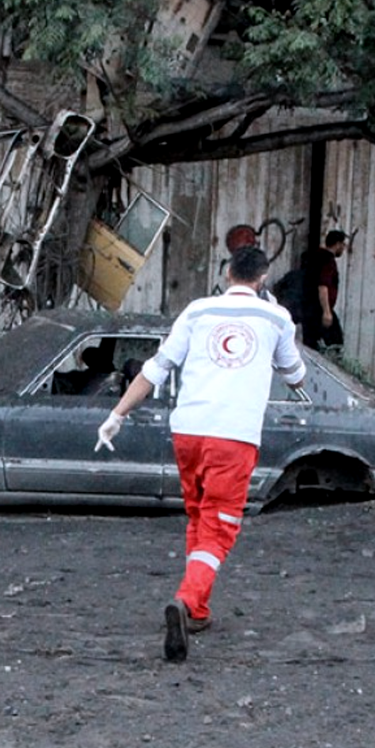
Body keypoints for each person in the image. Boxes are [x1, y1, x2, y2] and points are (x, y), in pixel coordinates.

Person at [94, 245, 306, 662]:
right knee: (220, 526)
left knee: (199, 515)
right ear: (262, 279)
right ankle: (186, 599)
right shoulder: (276, 318)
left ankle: (199, 609)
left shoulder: (196, 311)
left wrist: (116, 413)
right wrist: (281, 322)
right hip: (234, 435)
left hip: (188, 430)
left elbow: (156, 368)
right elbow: (295, 374)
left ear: (227, 274)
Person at [301, 230, 349, 350]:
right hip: (319, 309)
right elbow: (323, 286)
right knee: (335, 343)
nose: (343, 248)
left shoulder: (314, 256)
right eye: (343, 245)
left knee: (311, 344)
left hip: (308, 308)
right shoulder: (328, 261)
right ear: (337, 244)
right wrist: (326, 311)